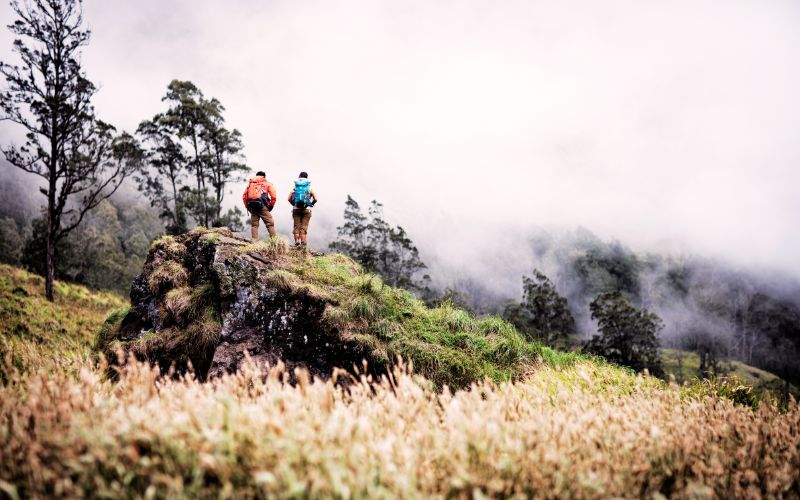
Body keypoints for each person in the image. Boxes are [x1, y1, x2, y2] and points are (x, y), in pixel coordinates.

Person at [242, 171, 277, 240]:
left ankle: (254, 242)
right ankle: (275, 242)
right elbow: (274, 197)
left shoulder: (250, 184)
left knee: (254, 225)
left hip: (252, 207)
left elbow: (244, 197)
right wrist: (270, 206)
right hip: (263, 206)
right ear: (264, 177)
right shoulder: (267, 184)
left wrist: (248, 207)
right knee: (270, 224)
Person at [287, 171, 318, 246]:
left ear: (299, 177)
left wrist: (294, 204)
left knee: (296, 227)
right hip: (306, 210)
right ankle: (303, 243)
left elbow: (289, 198)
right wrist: (311, 204)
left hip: (296, 210)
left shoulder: (295, 187)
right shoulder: (309, 187)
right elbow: (316, 199)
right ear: (307, 178)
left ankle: (297, 242)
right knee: (304, 227)